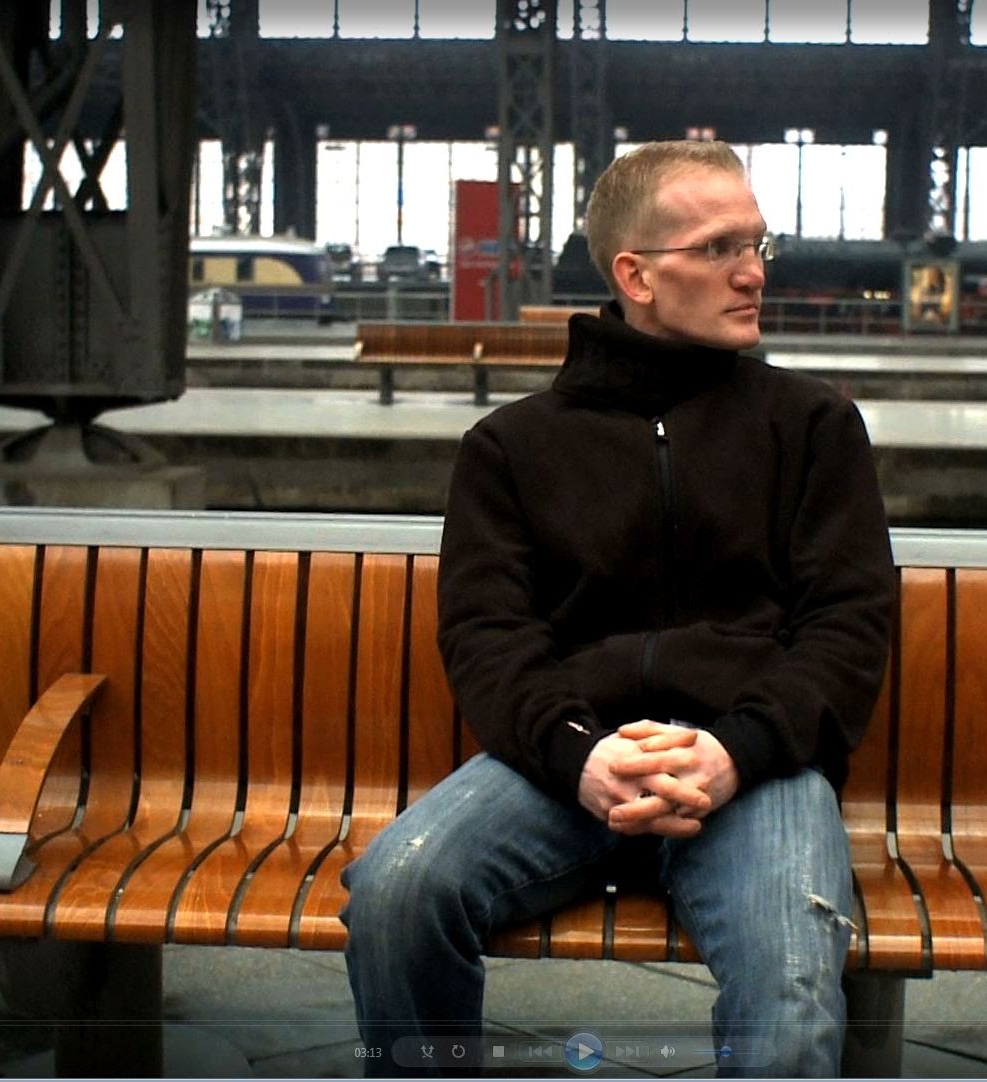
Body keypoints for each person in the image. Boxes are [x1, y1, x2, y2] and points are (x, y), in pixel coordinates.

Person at [340, 140, 896, 1078]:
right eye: (720, 247)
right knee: (397, 893)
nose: (753, 271)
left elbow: (846, 627)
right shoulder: (512, 447)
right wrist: (579, 754)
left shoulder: (813, 428)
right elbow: (487, 635)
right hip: (571, 758)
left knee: (791, 983)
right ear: (635, 273)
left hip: (751, 765)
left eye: (760, 243)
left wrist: (738, 751)